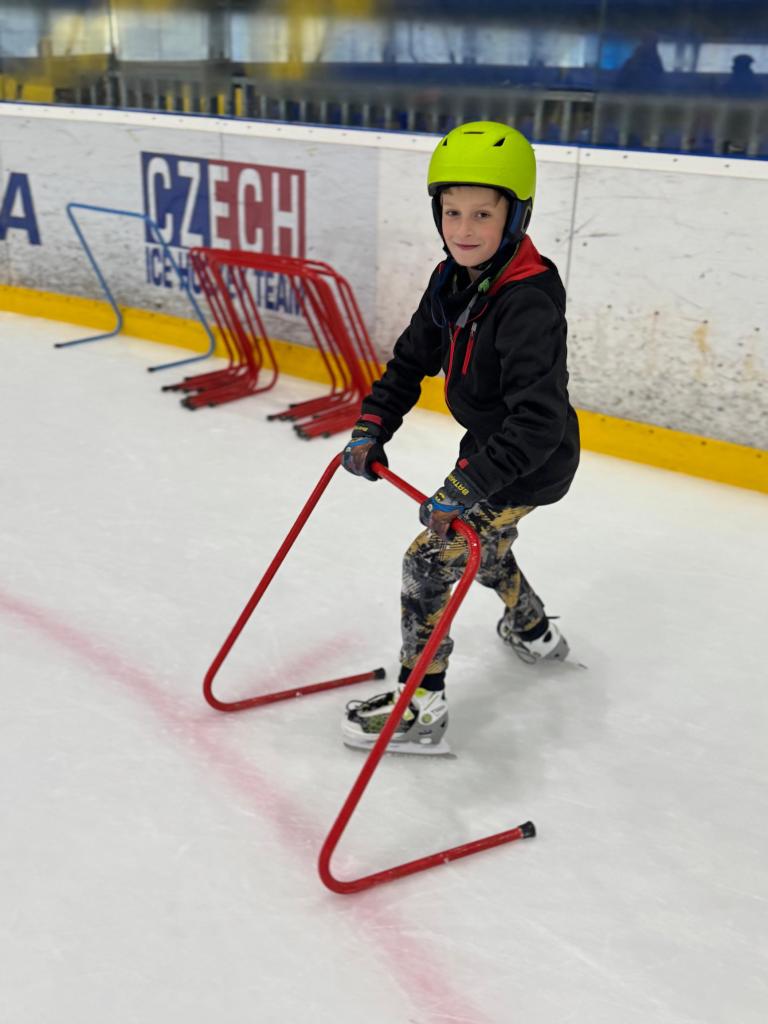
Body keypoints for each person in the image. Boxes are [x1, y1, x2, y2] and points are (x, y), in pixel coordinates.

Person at [340, 121, 580, 755]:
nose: (464, 229)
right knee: (485, 550)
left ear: (516, 216)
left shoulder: (527, 301)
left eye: (482, 214)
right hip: (490, 450)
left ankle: (421, 705)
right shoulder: (451, 280)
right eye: (452, 212)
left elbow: (538, 421)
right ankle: (533, 629)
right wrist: (373, 422)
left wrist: (469, 483)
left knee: (427, 562)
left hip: (530, 462)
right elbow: (409, 361)